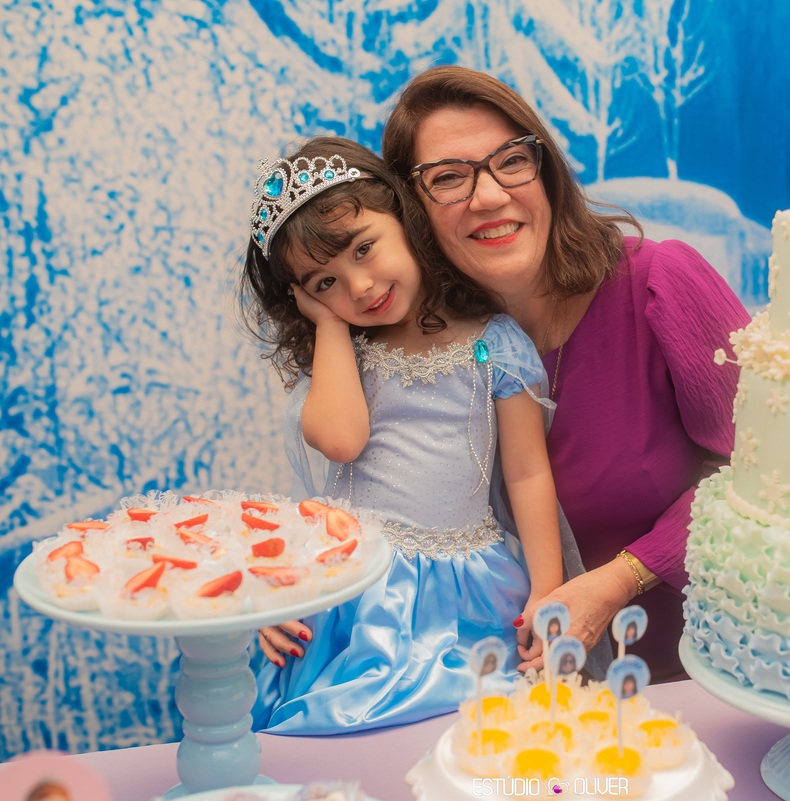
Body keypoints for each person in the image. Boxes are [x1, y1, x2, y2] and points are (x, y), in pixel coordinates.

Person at [380, 66, 751, 681]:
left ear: (545, 172)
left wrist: (621, 578)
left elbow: (766, 474)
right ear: (411, 211)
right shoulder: (424, 348)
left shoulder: (661, 283)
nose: (489, 196)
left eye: (511, 162)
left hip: (690, 681)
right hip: (504, 694)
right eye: (448, 178)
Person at [240, 136, 564, 734]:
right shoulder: (344, 357)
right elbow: (342, 441)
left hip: (464, 590)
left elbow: (527, 472)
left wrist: (548, 592)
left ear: (406, 218)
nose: (359, 287)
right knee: (337, 726)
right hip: (352, 589)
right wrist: (329, 328)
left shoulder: (493, 342)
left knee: (469, 733)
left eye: (365, 249)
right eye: (324, 283)